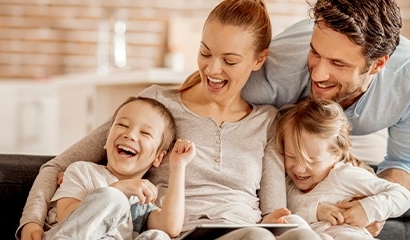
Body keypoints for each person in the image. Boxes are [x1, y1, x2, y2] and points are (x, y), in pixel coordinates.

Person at [17, 1, 319, 239]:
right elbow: (57, 166)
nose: (213, 70)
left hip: (245, 229)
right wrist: (31, 220)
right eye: (205, 53)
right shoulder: (156, 105)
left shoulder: (267, 121)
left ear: (258, 60)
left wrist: (284, 220)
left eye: (229, 61)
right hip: (178, 232)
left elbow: (272, 209)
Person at [242, 1, 410, 235]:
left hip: (337, 152)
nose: (318, 73)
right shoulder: (274, 70)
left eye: (338, 63)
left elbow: (407, 161)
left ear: (378, 64)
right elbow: (210, 96)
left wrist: (372, 207)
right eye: (315, 52)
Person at [43, 96, 196, 239]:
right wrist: (118, 189)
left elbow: (170, 227)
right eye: (122, 125)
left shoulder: (140, 200)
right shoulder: (82, 171)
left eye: (145, 133)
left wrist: (178, 166)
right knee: (114, 197)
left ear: (158, 158)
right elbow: (65, 217)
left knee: (159, 236)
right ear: (106, 140)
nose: (130, 135)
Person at [276, 97, 410, 239]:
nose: (298, 169)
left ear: (337, 154)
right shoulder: (286, 184)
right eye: (291, 156)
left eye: (311, 160)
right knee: (292, 221)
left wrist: (367, 209)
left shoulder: (343, 175)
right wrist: (316, 212)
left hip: (348, 236)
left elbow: (402, 195)